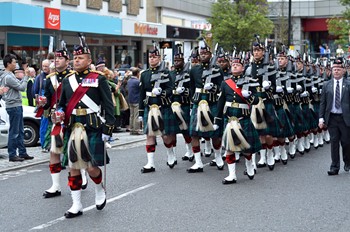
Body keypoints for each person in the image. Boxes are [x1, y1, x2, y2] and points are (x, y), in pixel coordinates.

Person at [57, 34, 115, 218]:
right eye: (74, 57)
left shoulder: (99, 78)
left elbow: (108, 105)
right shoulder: (67, 80)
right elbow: (62, 104)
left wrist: (108, 129)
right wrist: (58, 113)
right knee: (73, 166)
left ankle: (99, 188)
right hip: (74, 127)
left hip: (93, 126)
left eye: (80, 57)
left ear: (89, 60)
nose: (76, 60)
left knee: (91, 167)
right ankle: (77, 204)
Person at [42, 44, 82, 198]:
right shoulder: (49, 79)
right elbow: (46, 102)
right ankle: (55, 186)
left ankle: (82, 175)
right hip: (55, 120)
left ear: (67, 60)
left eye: (60, 58)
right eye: (55, 58)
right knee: (54, 151)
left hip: (71, 119)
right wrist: (42, 102)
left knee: (74, 150)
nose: (57, 60)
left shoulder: (73, 77)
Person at [214, 54, 261, 184]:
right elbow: (220, 102)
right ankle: (232, 175)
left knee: (246, 149)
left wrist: (249, 95)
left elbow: (256, 101)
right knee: (229, 147)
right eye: (233, 65)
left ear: (243, 67)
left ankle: (250, 164)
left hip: (243, 118)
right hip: (229, 119)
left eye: (238, 65)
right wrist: (217, 120)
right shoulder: (225, 83)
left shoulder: (250, 82)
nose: (235, 66)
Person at [138, 42, 177, 173]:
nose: (152, 59)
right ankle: (150, 163)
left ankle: (170, 152)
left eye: (154, 57)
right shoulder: (144, 74)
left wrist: (162, 92)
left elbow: (171, 89)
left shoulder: (167, 73)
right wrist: (140, 111)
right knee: (150, 135)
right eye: (150, 57)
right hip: (150, 106)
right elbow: (142, 93)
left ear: (159, 58)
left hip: (163, 106)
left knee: (165, 136)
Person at [188, 39, 224, 173]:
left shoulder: (217, 69)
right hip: (198, 102)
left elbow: (222, 87)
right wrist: (193, 101)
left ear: (210, 54)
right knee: (194, 133)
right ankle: (198, 162)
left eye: (205, 53)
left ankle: (218, 157)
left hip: (212, 101)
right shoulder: (194, 70)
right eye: (201, 53)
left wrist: (213, 87)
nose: (203, 55)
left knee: (215, 134)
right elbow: (191, 88)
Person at [319, 57, 350, 175]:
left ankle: (347, 161)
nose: (336, 71)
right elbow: (323, 103)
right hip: (332, 118)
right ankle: (334, 166)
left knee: (346, 142)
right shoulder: (326, 85)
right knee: (334, 142)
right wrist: (321, 118)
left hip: (345, 118)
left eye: (338, 69)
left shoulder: (348, 84)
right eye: (334, 69)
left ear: (343, 70)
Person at [0, 54, 34, 162]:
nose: (16, 64)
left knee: (19, 130)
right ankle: (12, 154)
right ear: (8, 63)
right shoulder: (8, 76)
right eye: (14, 62)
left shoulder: (9, 75)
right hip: (14, 106)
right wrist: (26, 76)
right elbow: (22, 87)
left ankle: (22, 152)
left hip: (15, 105)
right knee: (14, 131)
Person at [33, 59, 50, 152]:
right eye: (43, 66)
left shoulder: (53, 76)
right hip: (44, 105)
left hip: (53, 103)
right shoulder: (39, 77)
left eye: (46, 66)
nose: (44, 68)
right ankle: (44, 145)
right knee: (44, 125)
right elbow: (34, 92)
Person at [127, 67, 141, 135]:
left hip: (130, 99)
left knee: (131, 115)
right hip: (136, 99)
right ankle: (136, 129)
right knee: (136, 116)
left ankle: (131, 129)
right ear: (138, 73)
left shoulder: (129, 81)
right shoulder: (137, 81)